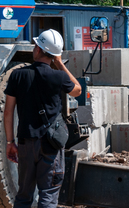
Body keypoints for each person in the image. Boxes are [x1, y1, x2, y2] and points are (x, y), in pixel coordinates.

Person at [3, 29, 81, 208]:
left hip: (25, 144)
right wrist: (60, 63)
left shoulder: (17, 75)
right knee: (48, 195)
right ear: (54, 55)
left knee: (23, 196)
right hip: (50, 144)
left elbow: (8, 111)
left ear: (37, 49)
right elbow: (77, 89)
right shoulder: (59, 76)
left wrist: (10, 142)